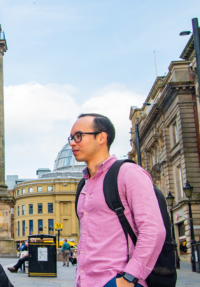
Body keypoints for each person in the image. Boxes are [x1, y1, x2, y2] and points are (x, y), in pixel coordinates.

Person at [71, 113, 165, 287]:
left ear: (101, 137)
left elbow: (153, 230)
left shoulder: (128, 173)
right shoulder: (83, 185)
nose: (72, 142)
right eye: (71, 137)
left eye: (79, 136)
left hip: (117, 280)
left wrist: (130, 277)